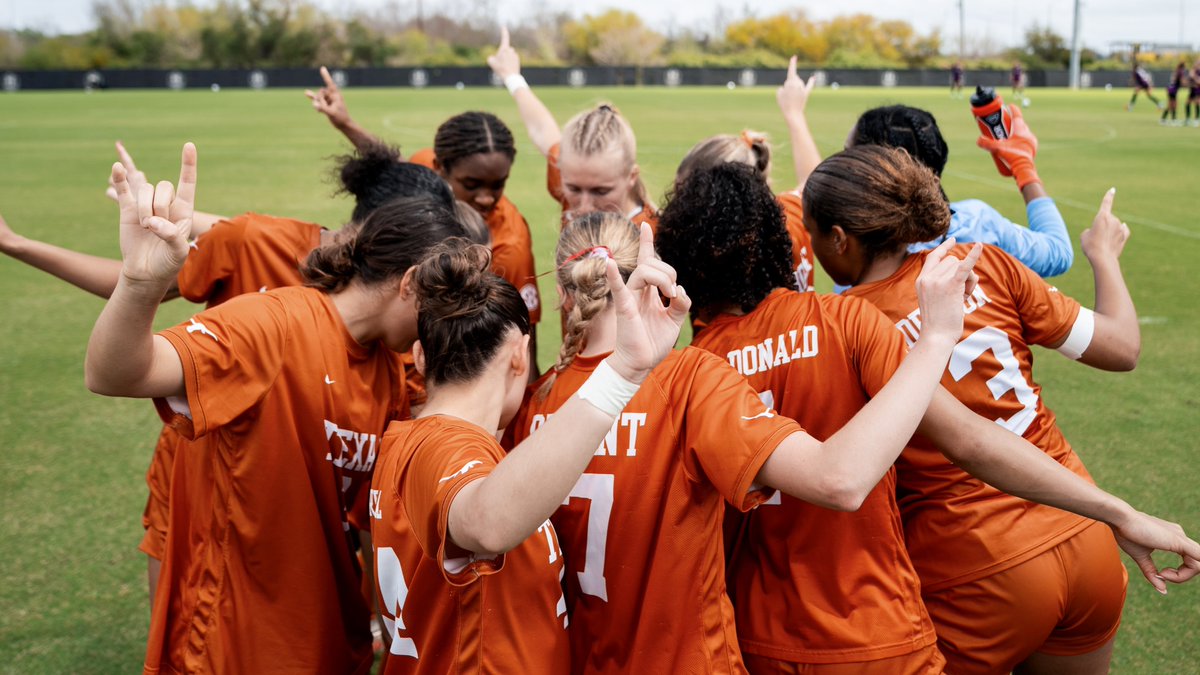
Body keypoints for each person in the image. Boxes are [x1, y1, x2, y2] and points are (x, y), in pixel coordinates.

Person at [657, 159, 1200, 675]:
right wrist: (1115, 511)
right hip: (1047, 548)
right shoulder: (861, 314)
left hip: (910, 586)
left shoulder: (685, 373)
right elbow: (972, 434)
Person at [506, 210, 982, 673]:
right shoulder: (687, 380)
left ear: (564, 294)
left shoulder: (532, 408)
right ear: (650, 281)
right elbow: (837, 478)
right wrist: (936, 338)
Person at [1, 141, 459, 614]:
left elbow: (368, 507)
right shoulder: (269, 305)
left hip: (297, 575)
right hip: (207, 473)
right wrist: (122, 277)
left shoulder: (382, 359)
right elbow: (119, 363)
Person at [369, 233, 687, 673]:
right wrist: (622, 373)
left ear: (421, 356)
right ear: (520, 355)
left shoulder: (404, 441)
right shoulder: (445, 446)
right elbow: (488, 524)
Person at [307, 66, 544, 374]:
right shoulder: (425, 182)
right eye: (471, 185)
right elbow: (394, 168)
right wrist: (345, 124)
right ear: (438, 169)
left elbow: (523, 329)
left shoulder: (508, 242)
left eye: (498, 184)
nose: (486, 197)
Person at [848, 104, 1073, 279]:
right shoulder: (977, 222)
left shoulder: (857, 250)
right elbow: (1058, 252)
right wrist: (1024, 168)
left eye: (849, 155)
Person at [673, 56, 818, 293]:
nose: (678, 209)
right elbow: (813, 184)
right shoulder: (788, 216)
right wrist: (795, 115)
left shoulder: (710, 253)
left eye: (689, 197)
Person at [487, 28, 657, 228]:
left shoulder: (652, 234)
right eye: (573, 189)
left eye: (601, 192)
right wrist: (511, 76)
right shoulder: (576, 169)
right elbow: (541, 128)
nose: (584, 208)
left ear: (631, 177)